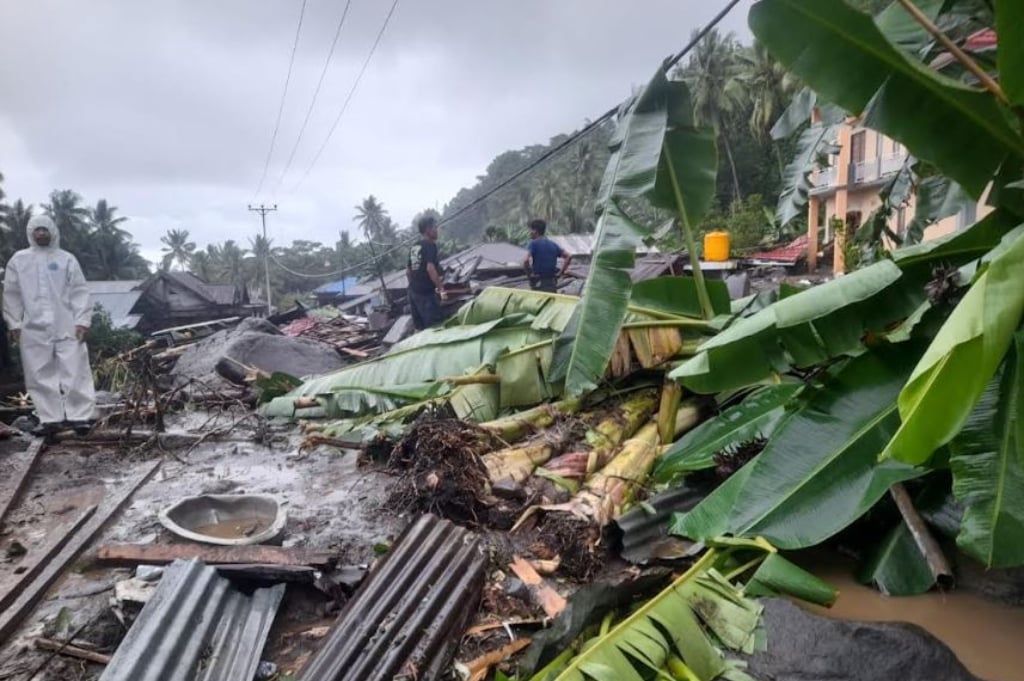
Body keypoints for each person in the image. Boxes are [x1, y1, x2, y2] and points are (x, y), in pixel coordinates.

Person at [3, 215, 96, 437]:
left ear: (52, 231)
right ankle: (50, 419)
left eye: (45, 229)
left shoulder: (66, 259)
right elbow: (12, 293)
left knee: (75, 370)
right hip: (33, 327)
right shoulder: (19, 260)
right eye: (37, 230)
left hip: (67, 324)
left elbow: (79, 291)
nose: (41, 234)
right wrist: (14, 323)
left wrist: (82, 321)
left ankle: (80, 417)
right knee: (38, 373)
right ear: (30, 233)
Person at [406, 215, 447, 330]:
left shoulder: (414, 247)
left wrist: (415, 286)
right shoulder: (430, 245)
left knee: (421, 329)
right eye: (435, 227)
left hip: (413, 293)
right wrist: (442, 290)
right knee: (436, 327)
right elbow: (430, 268)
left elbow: (408, 272)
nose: (437, 230)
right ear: (428, 230)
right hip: (426, 295)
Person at [524, 219, 571, 292]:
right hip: (552, 283)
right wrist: (560, 273)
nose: (530, 233)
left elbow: (525, 260)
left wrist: (529, 276)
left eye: (531, 230)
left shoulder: (533, 244)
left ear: (535, 231)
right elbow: (568, 256)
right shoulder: (553, 244)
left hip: (539, 283)